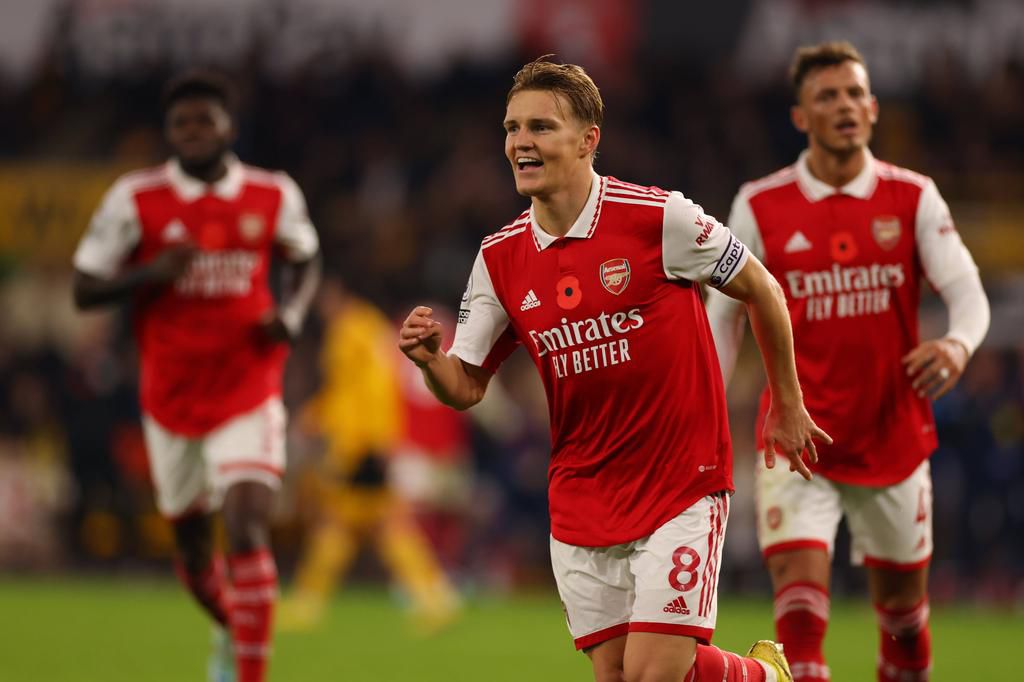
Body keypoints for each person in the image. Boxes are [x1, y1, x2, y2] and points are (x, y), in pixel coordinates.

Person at [399, 57, 831, 682]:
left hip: (680, 483)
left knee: (654, 674)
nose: (521, 142)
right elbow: (465, 386)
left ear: (587, 139)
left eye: (541, 127)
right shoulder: (498, 260)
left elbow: (762, 288)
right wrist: (432, 361)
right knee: (622, 675)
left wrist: (788, 403)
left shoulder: (659, 219)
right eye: (512, 128)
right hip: (581, 497)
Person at [705, 42, 990, 682]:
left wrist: (957, 343)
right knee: (799, 624)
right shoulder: (760, 205)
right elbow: (722, 318)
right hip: (796, 437)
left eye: (855, 94)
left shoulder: (912, 198)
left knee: (904, 623)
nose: (845, 106)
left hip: (892, 437)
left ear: (874, 108)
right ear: (801, 117)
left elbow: (969, 295)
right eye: (827, 96)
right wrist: (706, 409)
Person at [72, 70, 321, 682]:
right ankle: (229, 628)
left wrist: (288, 313)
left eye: (203, 120)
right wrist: (150, 274)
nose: (191, 131)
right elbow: (84, 287)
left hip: (249, 385)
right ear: (169, 132)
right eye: (180, 123)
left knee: (245, 522)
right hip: (171, 399)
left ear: (228, 126)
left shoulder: (272, 194)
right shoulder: (136, 199)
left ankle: (251, 673)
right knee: (190, 553)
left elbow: (306, 257)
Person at [279, 276, 461, 634]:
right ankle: (434, 596)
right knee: (373, 525)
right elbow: (360, 388)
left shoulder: (352, 329)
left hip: (359, 443)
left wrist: (365, 438)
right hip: (368, 440)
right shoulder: (370, 326)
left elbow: (364, 389)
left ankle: (308, 601)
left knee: (343, 523)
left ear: (338, 294)